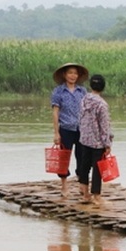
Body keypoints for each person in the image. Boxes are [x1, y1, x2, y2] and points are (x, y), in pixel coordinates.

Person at [51, 62, 89, 197]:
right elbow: (55, 112)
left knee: (82, 157)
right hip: (66, 129)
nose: (73, 76)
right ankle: (64, 186)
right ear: (64, 75)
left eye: (75, 73)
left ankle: (82, 185)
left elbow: (87, 111)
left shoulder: (82, 91)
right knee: (63, 158)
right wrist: (56, 133)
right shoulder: (58, 91)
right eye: (70, 73)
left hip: (82, 130)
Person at [77, 74, 113, 206]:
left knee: (84, 166)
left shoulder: (84, 99)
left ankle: (85, 193)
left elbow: (80, 118)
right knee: (97, 169)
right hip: (97, 142)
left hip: (84, 139)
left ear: (91, 85)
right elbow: (104, 126)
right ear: (103, 87)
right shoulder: (102, 104)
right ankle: (97, 196)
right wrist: (107, 143)